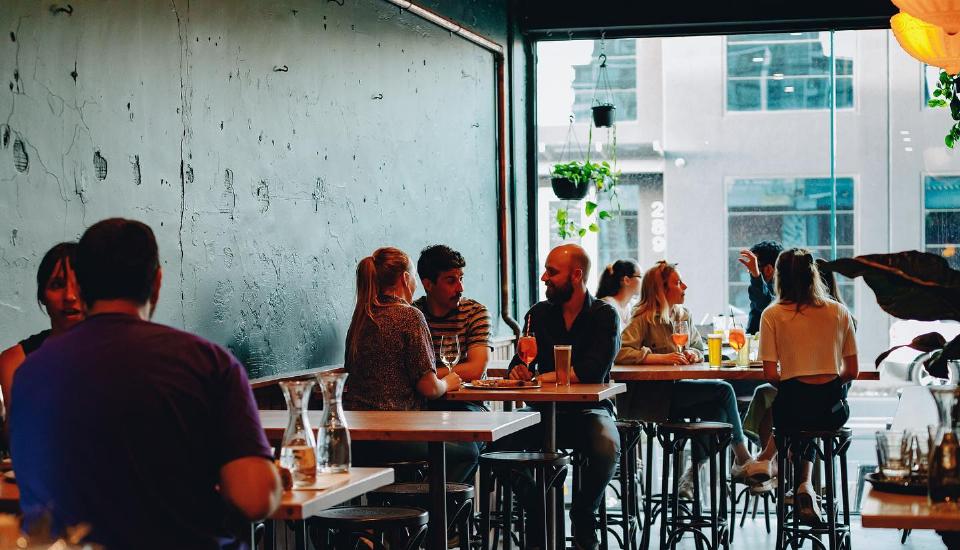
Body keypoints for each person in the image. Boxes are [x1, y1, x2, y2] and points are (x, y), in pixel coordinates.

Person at [9, 218, 280, 549]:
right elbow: (255, 500)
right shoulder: (208, 363)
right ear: (157, 282)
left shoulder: (28, 372)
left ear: (80, 287)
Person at [504, 244, 621, 550]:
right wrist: (520, 373)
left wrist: (543, 377)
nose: (544, 277)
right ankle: (537, 508)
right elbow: (518, 365)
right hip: (541, 413)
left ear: (577, 275)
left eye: (552, 272)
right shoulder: (538, 314)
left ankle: (583, 516)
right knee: (495, 443)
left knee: (606, 446)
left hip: (589, 412)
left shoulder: (604, 315)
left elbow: (592, 372)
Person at [615, 261, 762, 495]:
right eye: (677, 282)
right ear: (661, 289)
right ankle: (742, 458)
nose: (684, 286)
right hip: (653, 400)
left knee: (717, 411)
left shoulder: (683, 315)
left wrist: (694, 353)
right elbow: (620, 352)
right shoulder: (643, 318)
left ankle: (691, 476)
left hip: (677, 392)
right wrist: (659, 358)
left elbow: (696, 346)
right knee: (723, 391)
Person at [343, 247, 479, 483]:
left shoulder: (361, 318)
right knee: (467, 453)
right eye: (414, 277)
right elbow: (429, 388)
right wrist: (448, 382)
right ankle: (431, 514)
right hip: (395, 437)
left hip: (356, 439)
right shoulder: (410, 316)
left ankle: (411, 511)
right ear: (406, 279)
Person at [758, 248, 858, 526]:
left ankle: (768, 459)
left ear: (779, 278)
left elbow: (769, 374)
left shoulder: (772, 314)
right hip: (831, 412)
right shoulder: (839, 312)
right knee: (815, 411)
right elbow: (852, 371)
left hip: (790, 413)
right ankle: (805, 486)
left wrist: (796, 381)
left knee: (794, 408)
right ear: (813, 275)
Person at [0, 243, 85, 415]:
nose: (70, 296)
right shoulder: (16, 362)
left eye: (81, 284)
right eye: (57, 285)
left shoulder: (124, 355)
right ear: (42, 296)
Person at [412, 244, 492, 383]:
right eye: (451, 281)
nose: (460, 288)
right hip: (423, 402)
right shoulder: (412, 314)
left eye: (461, 278)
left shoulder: (475, 313)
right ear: (428, 285)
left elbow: (476, 370)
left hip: (467, 401)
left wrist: (424, 378)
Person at [738, 240, 783, 335]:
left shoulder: (786, 292)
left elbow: (767, 305)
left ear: (768, 269)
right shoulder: (759, 288)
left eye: (755, 266)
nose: (750, 270)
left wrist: (755, 275)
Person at [595, 259, 643, 328]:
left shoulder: (633, 305)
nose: (643, 281)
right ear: (626, 280)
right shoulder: (606, 307)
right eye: (640, 276)